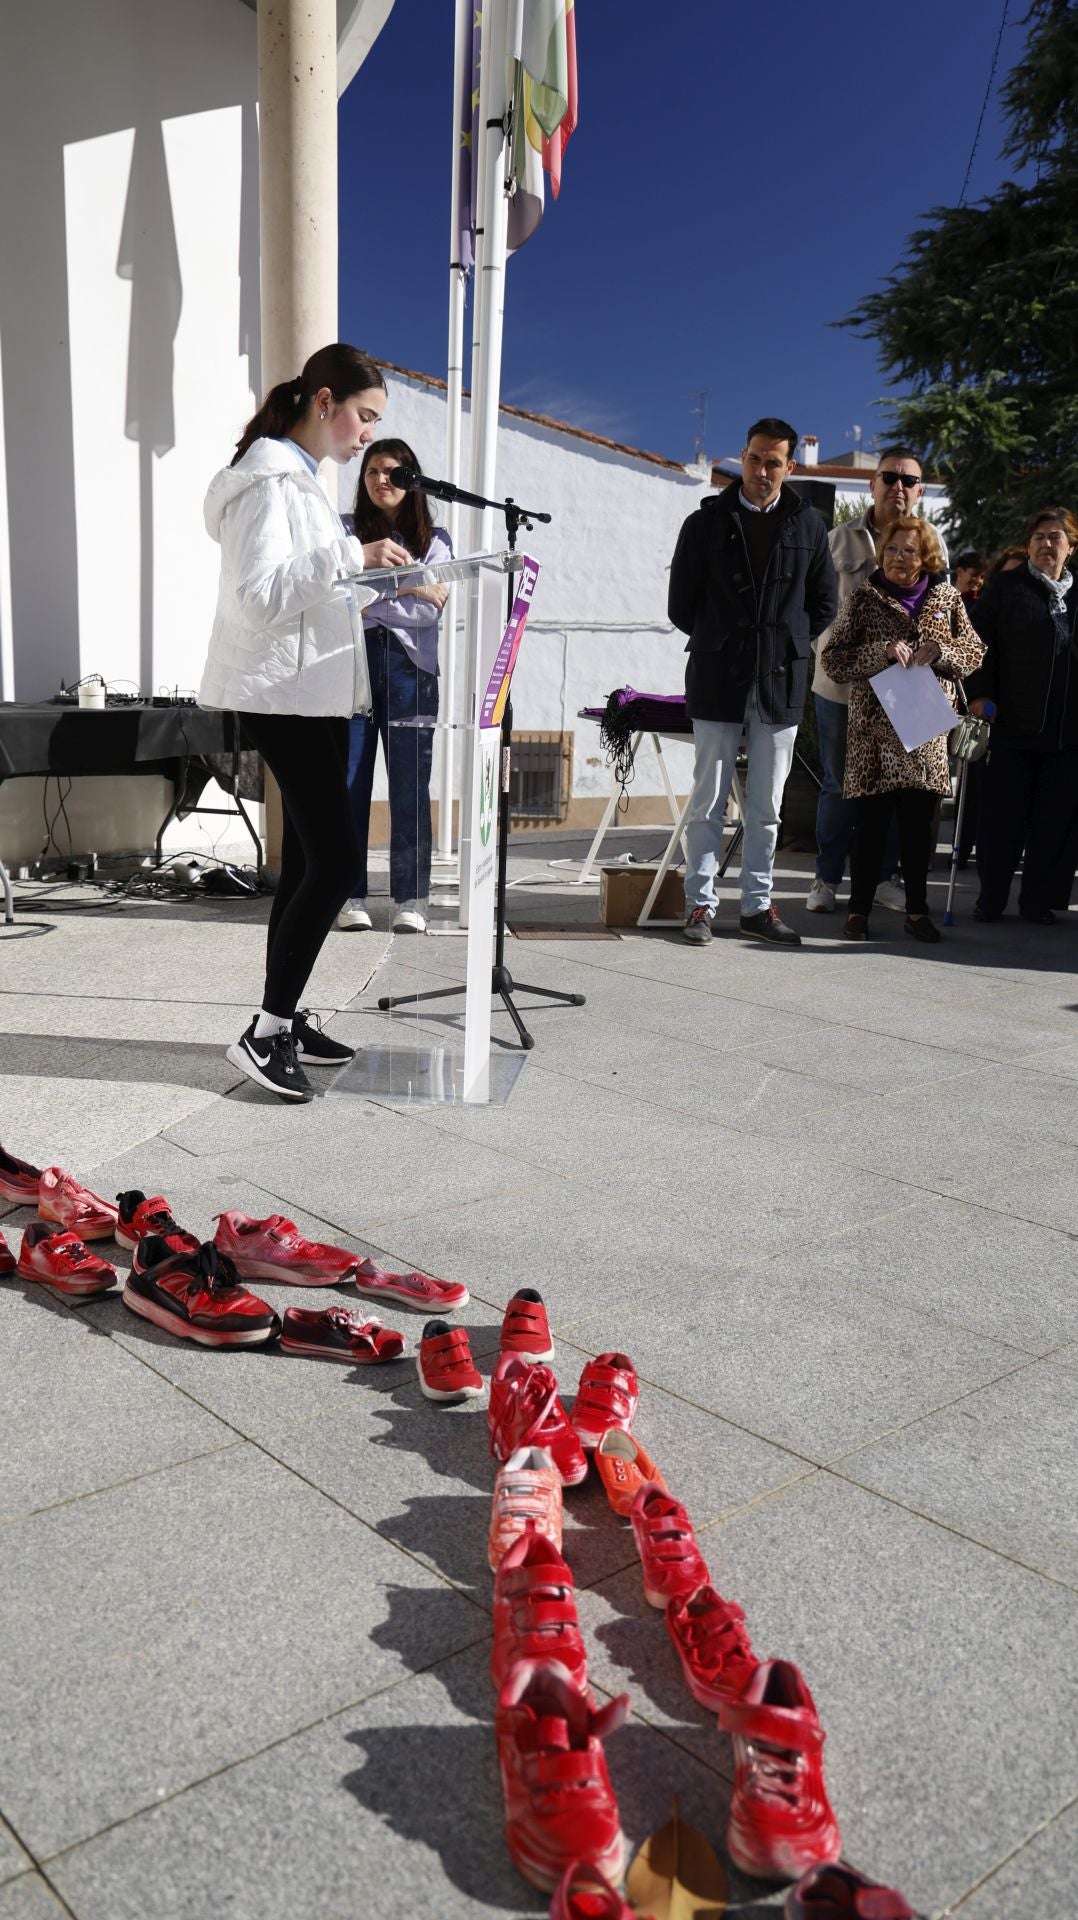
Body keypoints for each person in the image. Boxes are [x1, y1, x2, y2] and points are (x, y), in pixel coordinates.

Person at [199, 343, 412, 1102]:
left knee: (307, 864)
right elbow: (259, 598)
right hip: (278, 692)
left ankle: (282, 1020)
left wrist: (378, 578)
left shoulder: (303, 481)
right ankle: (264, 1033)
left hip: (310, 691)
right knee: (338, 863)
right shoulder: (267, 480)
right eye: (364, 416)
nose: (368, 435)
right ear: (324, 402)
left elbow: (307, 597)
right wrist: (352, 557)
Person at [668, 417, 837, 947]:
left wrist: (785, 642)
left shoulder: (809, 526)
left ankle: (757, 908)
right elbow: (681, 605)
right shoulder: (704, 523)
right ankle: (700, 905)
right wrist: (723, 637)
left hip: (781, 679)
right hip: (718, 674)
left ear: (790, 467)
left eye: (773, 462)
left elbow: (825, 603)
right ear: (742, 458)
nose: (762, 470)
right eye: (755, 458)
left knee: (767, 807)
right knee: (708, 801)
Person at [820, 515, 983, 943]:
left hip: (925, 733)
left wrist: (941, 650)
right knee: (870, 830)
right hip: (874, 737)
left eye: (909, 550)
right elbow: (833, 660)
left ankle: (917, 912)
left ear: (925, 556)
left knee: (917, 831)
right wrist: (882, 651)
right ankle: (858, 911)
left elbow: (974, 652)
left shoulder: (946, 597)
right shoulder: (863, 597)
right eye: (891, 549)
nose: (898, 557)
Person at [805, 446, 949, 915]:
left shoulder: (933, 543)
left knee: (896, 788)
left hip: (906, 690)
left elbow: (943, 614)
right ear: (873, 484)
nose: (898, 487)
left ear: (920, 491)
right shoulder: (837, 540)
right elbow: (814, 610)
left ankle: (884, 879)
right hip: (842, 688)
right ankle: (826, 878)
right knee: (837, 786)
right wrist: (831, 656)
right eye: (889, 477)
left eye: (909, 480)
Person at [336, 440, 452, 936]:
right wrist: (408, 583)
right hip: (353, 666)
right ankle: (349, 895)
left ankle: (412, 898)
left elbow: (432, 607)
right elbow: (340, 598)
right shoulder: (344, 532)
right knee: (349, 784)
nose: (381, 480)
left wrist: (374, 588)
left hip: (412, 671)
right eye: (372, 472)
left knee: (410, 786)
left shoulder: (436, 539)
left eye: (392, 472)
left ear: (412, 479)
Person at [967, 506, 1078, 924]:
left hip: (1067, 733)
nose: (1046, 544)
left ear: (1071, 547)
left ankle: (1037, 901)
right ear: (1029, 545)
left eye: (1055, 537)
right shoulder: (1008, 587)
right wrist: (980, 694)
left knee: (1054, 823)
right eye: (1039, 537)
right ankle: (991, 898)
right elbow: (979, 645)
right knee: (1003, 821)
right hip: (1012, 726)